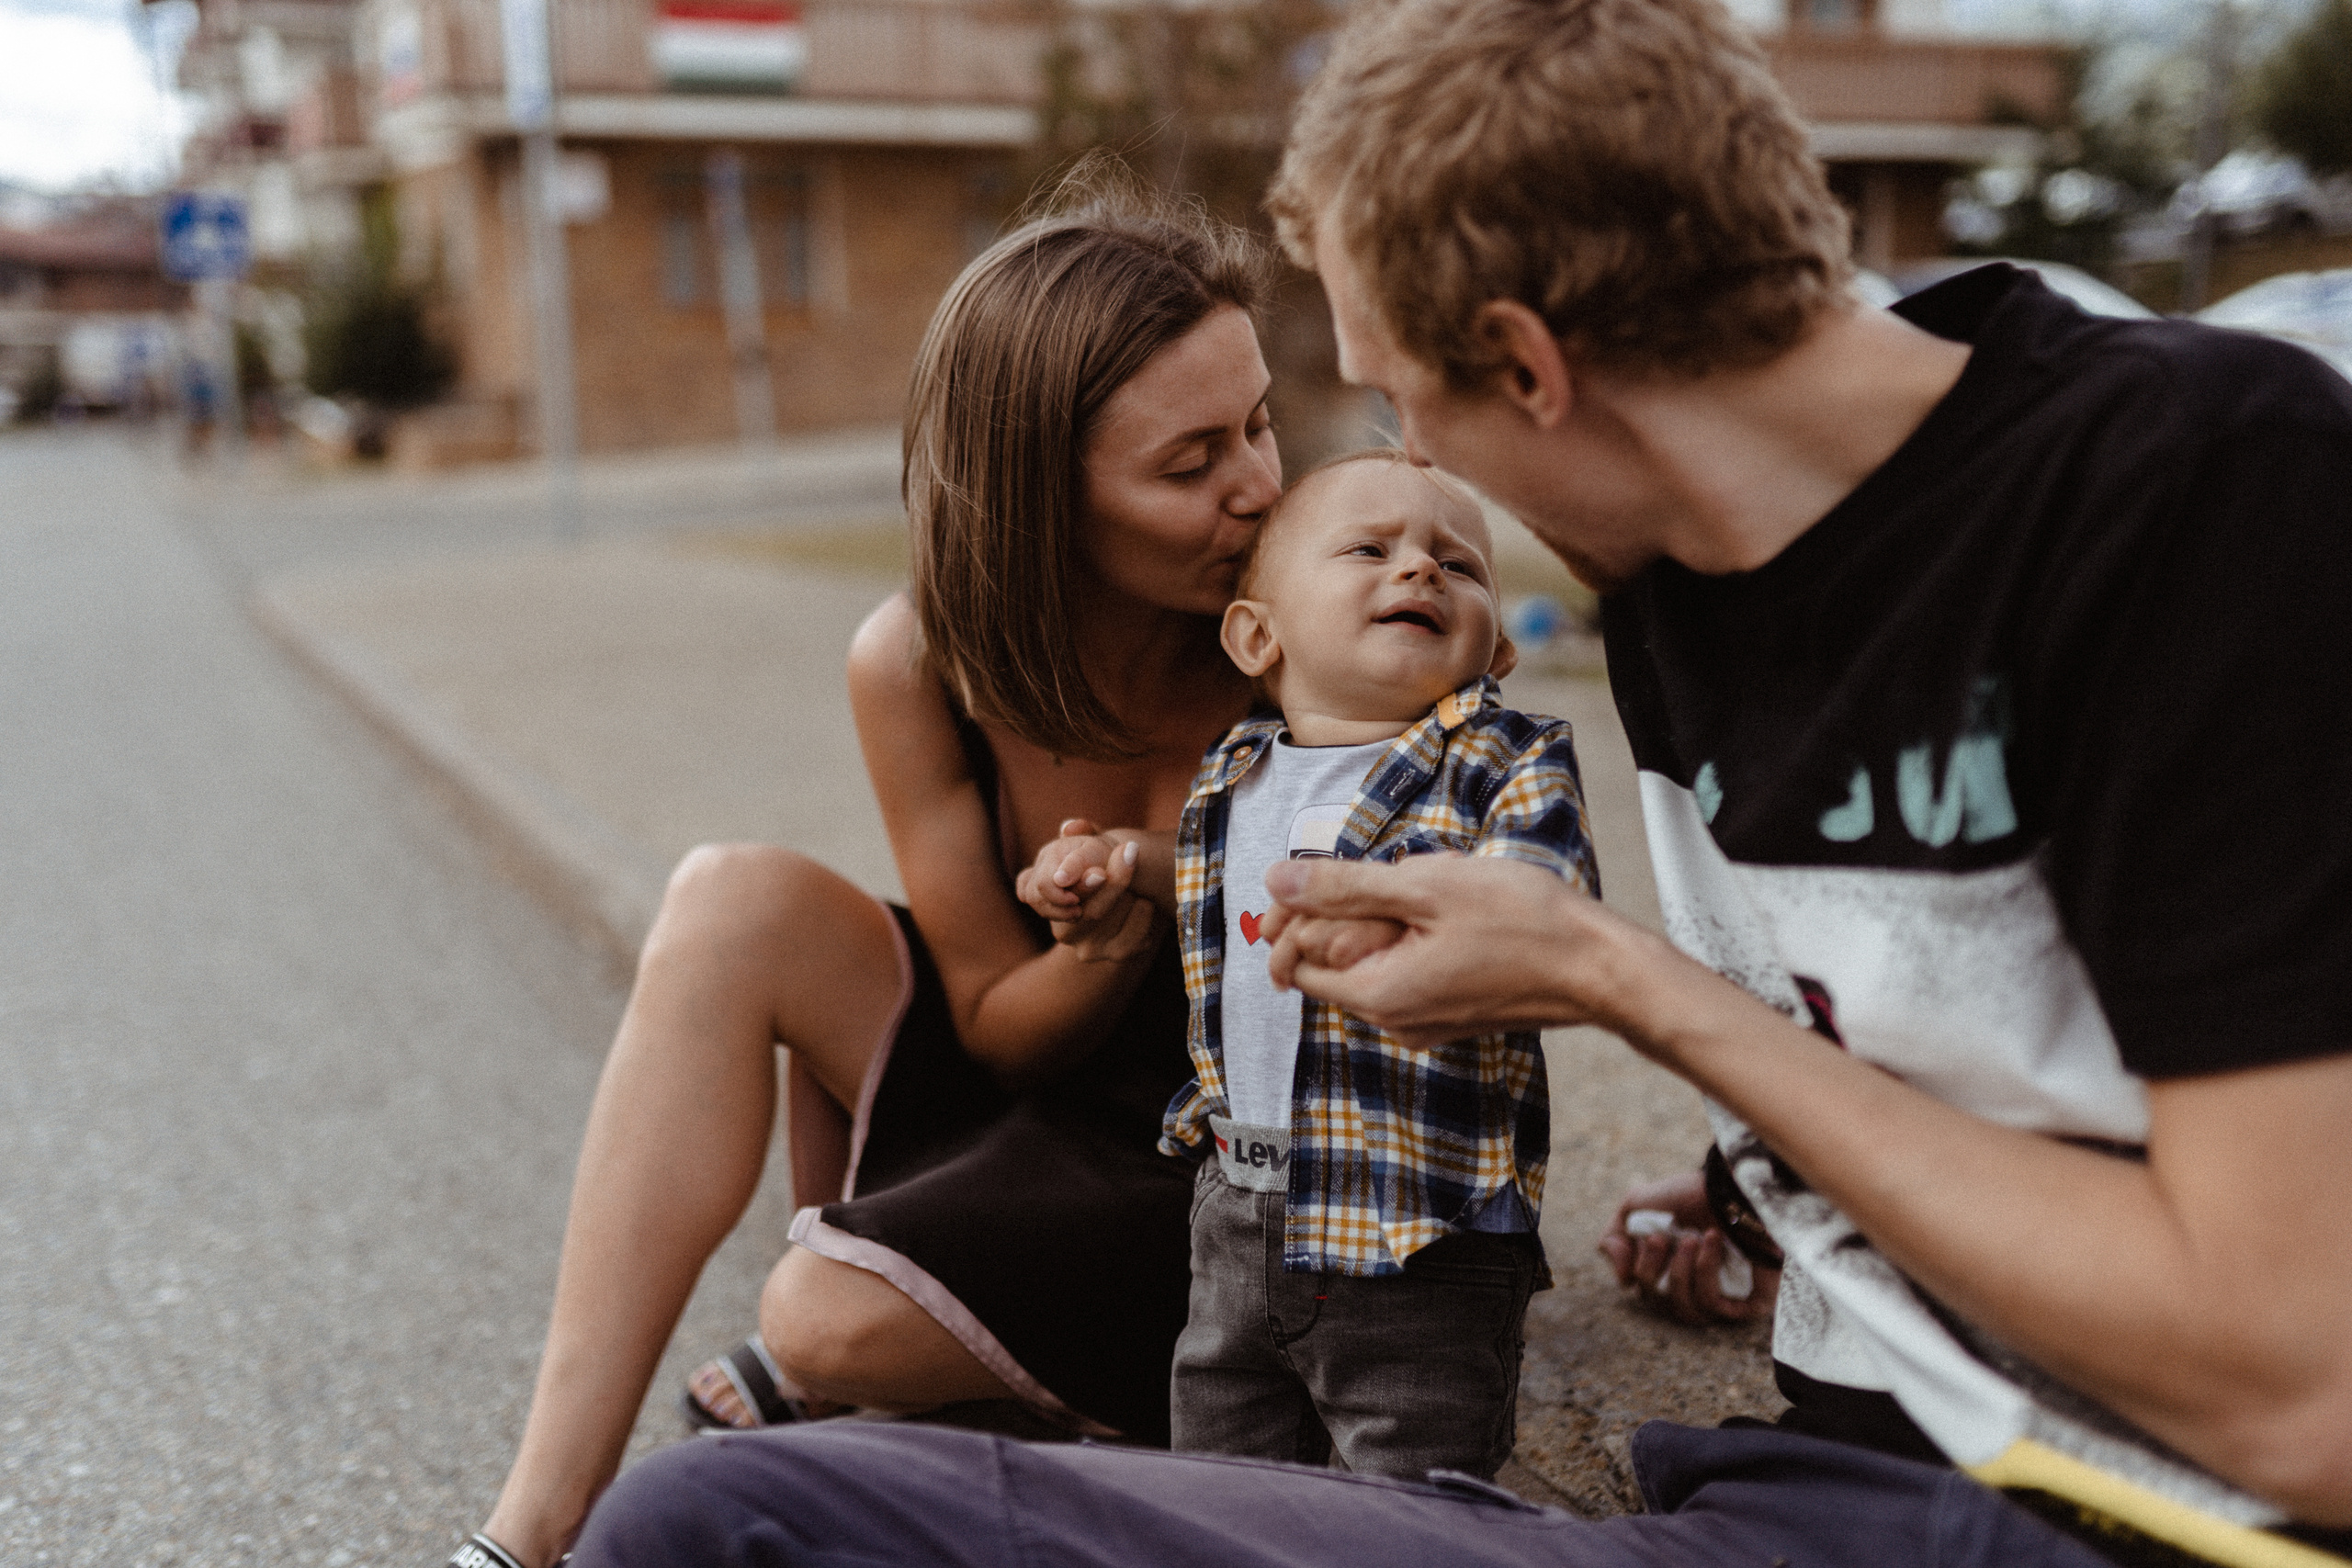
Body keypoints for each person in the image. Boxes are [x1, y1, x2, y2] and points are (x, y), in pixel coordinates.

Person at [560, 0, 2352, 1559]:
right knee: (718, 1524)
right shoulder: (1686, 587)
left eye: (1397, 405)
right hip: (1794, 1469)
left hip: (2101, 1510)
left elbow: (2301, 1394)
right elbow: (1962, 1015)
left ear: (1524, 364)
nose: (1368, 480)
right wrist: (1753, 1185)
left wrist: (1612, 979)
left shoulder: (2202, 477)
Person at [441, 183, 1287, 1568]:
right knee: (730, 896)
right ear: (1041, 493)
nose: (1257, 483)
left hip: (1214, 1153)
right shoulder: (919, 659)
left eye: (1259, 421)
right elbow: (998, 1028)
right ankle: (530, 1527)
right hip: (1043, 1073)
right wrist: (1112, 935)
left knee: (814, 1315)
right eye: (1190, 462)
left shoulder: (1301, 621)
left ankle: (871, 1374)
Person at [1026, 450, 1597, 1479]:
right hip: (1237, 1208)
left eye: (1459, 566)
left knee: (1415, 1496)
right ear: (1259, 636)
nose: (1420, 571)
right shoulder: (1236, 773)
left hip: (1418, 1227)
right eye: (1371, 550)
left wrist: (1411, 922)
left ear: (1497, 651)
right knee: (1225, 1477)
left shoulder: (1502, 762)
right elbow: (1211, 873)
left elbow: (1547, 906)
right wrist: (1115, 863)